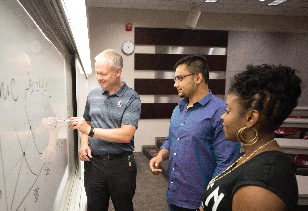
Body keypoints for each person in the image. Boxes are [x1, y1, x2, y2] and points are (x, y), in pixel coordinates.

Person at [200, 64, 301, 211]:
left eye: (228, 111)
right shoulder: (249, 156)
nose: (222, 116)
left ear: (250, 118)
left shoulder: (262, 182)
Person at [149, 55, 241, 211]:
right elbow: (172, 139)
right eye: (175, 79)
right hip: (174, 194)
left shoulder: (221, 111)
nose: (175, 84)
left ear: (198, 77)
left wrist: (208, 201)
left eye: (179, 78)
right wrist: (160, 156)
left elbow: (226, 163)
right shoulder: (178, 109)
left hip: (200, 201)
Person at [69, 49, 141, 211]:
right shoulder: (93, 94)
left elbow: (126, 135)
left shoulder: (132, 98)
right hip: (94, 164)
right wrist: (84, 144)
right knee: (95, 207)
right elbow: (87, 120)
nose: (98, 78)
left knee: (123, 207)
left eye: (103, 74)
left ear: (118, 72)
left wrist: (90, 131)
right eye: (97, 73)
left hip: (121, 165)